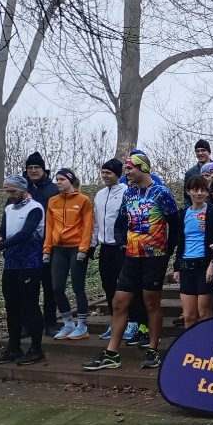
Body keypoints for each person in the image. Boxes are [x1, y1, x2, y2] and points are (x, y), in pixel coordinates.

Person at [83, 154, 179, 371]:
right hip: (131, 256)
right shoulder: (129, 193)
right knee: (119, 301)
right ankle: (112, 353)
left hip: (154, 257)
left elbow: (175, 225)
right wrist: (121, 242)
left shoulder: (161, 193)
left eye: (129, 169)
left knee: (151, 302)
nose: (126, 173)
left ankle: (153, 350)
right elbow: (121, 221)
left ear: (143, 168)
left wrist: (168, 251)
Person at [0, 174, 46, 365]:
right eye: (7, 191)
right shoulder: (9, 208)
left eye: (13, 191)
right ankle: (14, 347)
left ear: (23, 189)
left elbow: (25, 234)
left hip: (30, 263)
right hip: (11, 263)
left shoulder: (35, 208)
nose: (9, 195)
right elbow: (4, 229)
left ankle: (36, 349)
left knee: (30, 305)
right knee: (11, 306)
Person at [43, 168, 94, 341]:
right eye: (57, 179)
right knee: (57, 287)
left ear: (70, 181)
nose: (58, 182)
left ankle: (82, 326)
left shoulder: (83, 200)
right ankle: (68, 324)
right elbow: (49, 227)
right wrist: (47, 250)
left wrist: (83, 249)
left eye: (62, 179)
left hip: (76, 248)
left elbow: (88, 226)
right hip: (59, 249)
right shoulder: (52, 201)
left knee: (78, 287)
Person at [173, 175, 213, 328]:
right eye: (195, 190)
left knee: (204, 312)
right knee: (189, 315)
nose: (199, 193)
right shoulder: (183, 213)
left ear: (207, 193)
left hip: (205, 265)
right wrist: (177, 267)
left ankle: (208, 347)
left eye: (203, 190)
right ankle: (190, 348)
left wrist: (212, 264)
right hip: (187, 265)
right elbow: (180, 241)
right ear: (188, 192)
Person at [92, 159, 129, 340]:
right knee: (108, 286)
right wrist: (92, 245)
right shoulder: (99, 195)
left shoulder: (126, 192)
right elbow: (97, 222)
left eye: (109, 173)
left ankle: (131, 322)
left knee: (124, 287)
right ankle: (114, 322)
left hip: (121, 247)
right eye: (103, 172)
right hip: (104, 247)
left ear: (117, 174)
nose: (105, 176)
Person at [23, 151, 60, 335]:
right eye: (30, 167)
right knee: (28, 288)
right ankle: (29, 324)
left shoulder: (53, 189)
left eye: (37, 167)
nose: (33, 170)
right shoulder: (21, 189)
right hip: (26, 246)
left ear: (43, 169)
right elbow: (9, 214)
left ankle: (51, 323)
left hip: (49, 244)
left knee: (49, 286)